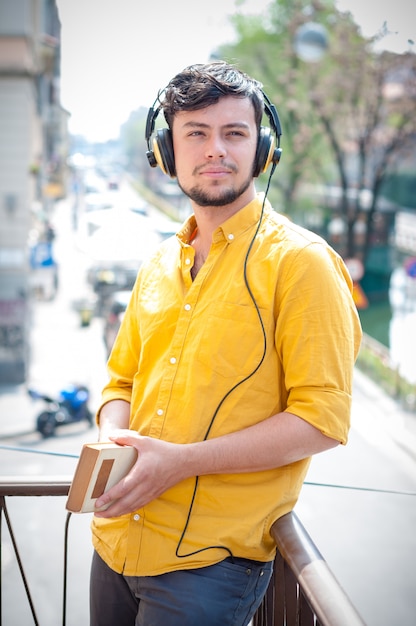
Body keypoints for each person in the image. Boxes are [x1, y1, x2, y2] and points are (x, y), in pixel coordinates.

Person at [89, 61, 362, 626]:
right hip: (113, 543)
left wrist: (181, 464)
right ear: (166, 151)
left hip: (207, 569)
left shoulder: (302, 264)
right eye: (196, 133)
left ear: (262, 150)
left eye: (235, 133)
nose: (217, 149)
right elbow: (120, 381)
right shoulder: (158, 263)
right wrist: (113, 434)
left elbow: (322, 420)